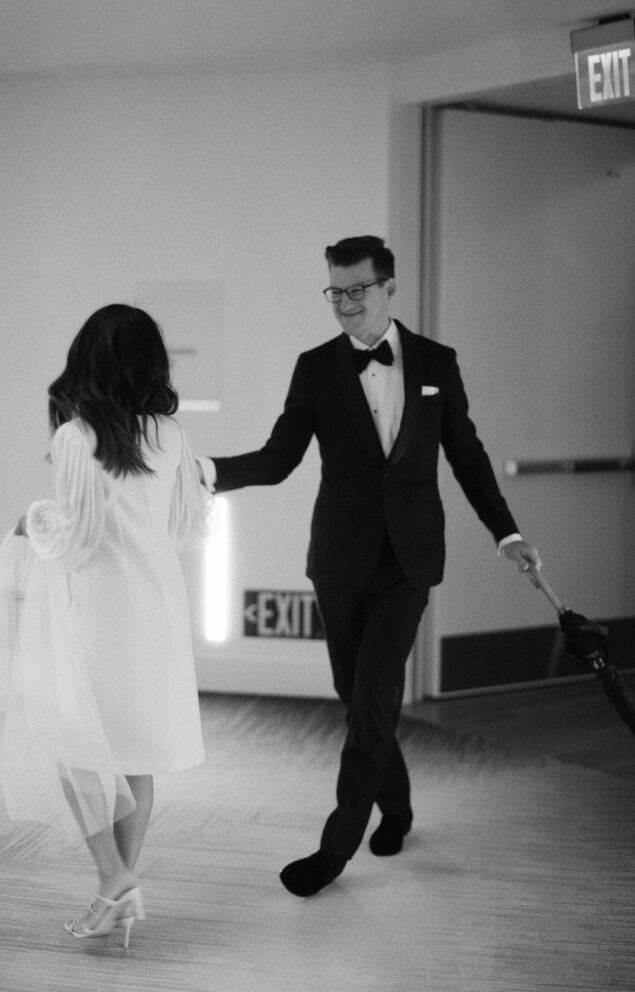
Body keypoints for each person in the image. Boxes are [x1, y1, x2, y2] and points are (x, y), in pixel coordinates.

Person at [198, 235, 541, 897]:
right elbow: (278, 458)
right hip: (339, 560)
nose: (345, 304)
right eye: (335, 291)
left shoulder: (437, 361)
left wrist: (507, 532)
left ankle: (334, 848)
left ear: (388, 287)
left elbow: (466, 456)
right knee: (356, 696)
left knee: (375, 692)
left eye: (357, 290)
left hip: (408, 561)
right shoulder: (315, 367)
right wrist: (205, 473)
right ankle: (399, 804)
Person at [0, 304, 209, 942]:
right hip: (158, 604)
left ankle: (114, 879)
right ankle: (117, 887)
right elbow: (181, 523)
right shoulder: (170, 433)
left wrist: (31, 521)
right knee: (134, 749)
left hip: (102, 609)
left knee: (73, 744)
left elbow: (77, 537)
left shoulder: (76, 435)